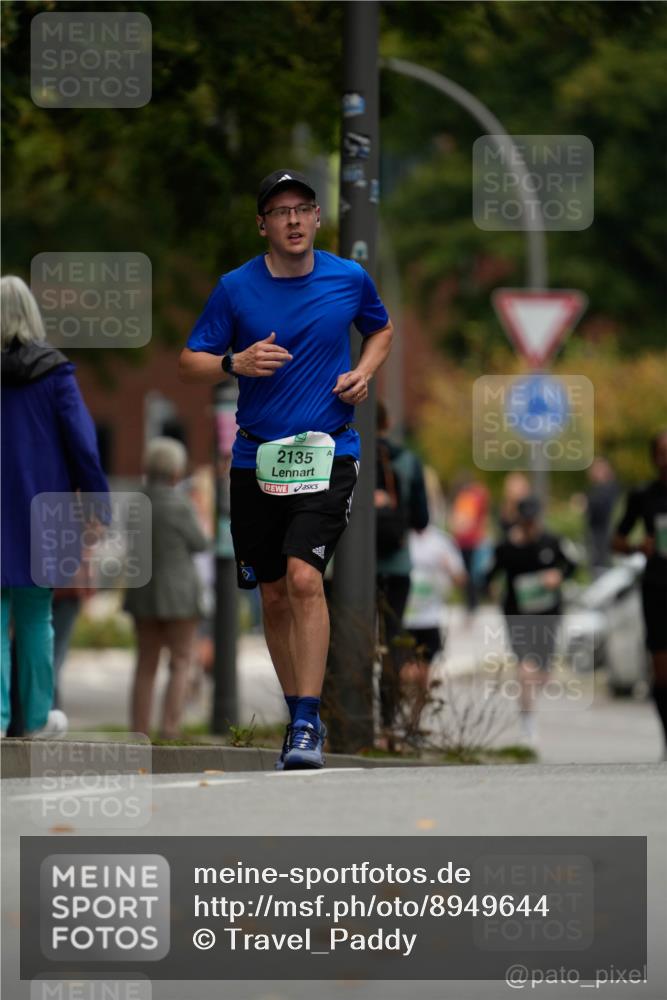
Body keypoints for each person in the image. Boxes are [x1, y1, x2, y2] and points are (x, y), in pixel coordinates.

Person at [178, 169, 393, 769]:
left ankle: (305, 721)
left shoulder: (348, 278)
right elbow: (188, 362)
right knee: (273, 593)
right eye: (280, 211)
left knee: (303, 578)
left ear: (318, 218)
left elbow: (381, 329)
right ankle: (297, 708)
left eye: (303, 208)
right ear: (263, 225)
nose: (294, 220)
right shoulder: (235, 288)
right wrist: (234, 360)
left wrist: (364, 372)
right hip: (256, 457)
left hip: (329, 450)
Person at [1, 275, 108, 737]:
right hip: (43, 512)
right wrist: (97, 502)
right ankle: (39, 718)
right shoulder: (55, 373)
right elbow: (82, 444)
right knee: (36, 617)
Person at [125, 438, 210, 740]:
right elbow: (200, 543)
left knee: (145, 664)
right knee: (181, 661)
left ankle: (139, 730)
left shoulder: (135, 503)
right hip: (180, 596)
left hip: (143, 591)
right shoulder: (180, 504)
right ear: (176, 470)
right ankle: (170, 728)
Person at [485, 495, 577, 748]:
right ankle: (527, 721)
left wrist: (558, 576)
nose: (531, 526)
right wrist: (489, 587)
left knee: (543, 674)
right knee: (526, 670)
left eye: (533, 521)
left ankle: (532, 697)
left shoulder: (553, 542)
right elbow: (488, 575)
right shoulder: (506, 548)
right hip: (518, 616)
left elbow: (573, 564)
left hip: (548, 615)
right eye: (526, 522)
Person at [375, 401, 429, 742]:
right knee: (393, 640)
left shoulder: (347, 453)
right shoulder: (408, 461)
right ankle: (388, 720)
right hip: (396, 565)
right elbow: (422, 520)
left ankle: (344, 716)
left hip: (352, 567)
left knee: (349, 637)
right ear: (389, 421)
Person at [613, 430, 667, 759]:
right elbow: (615, 540)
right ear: (654, 458)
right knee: (662, 670)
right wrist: (637, 546)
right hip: (659, 587)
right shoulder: (644, 496)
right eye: (662, 452)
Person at [401, 468, 467, 734]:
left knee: (423, 678)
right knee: (406, 674)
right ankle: (398, 717)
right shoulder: (401, 539)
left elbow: (462, 579)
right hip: (403, 617)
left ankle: (413, 724)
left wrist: (448, 569)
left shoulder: (442, 542)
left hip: (429, 619)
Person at [450, 472, 490, 614]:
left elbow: (463, 521)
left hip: (468, 540)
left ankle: (472, 603)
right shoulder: (473, 497)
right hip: (469, 540)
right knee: (470, 572)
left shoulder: (468, 498)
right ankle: (472, 602)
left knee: (470, 573)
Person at [585, 456, 620, 576]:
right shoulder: (597, 489)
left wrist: (587, 503)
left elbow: (601, 510)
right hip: (596, 538)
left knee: (601, 572)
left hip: (602, 539)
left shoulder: (608, 488)